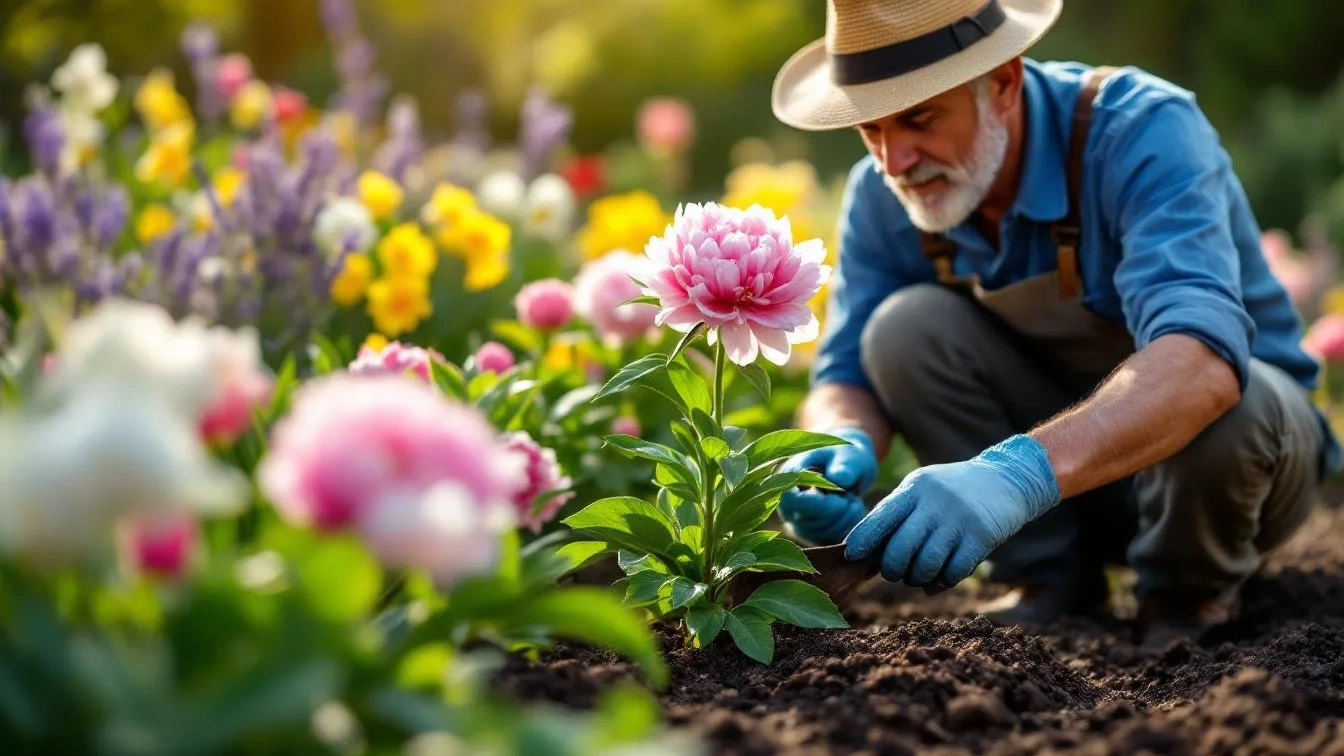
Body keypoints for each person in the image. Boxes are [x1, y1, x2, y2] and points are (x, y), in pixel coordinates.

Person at [770, 0, 1340, 646]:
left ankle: (1187, 600)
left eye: (919, 119)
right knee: (903, 330)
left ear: (1003, 83)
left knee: (1231, 396)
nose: (893, 160)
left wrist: (1012, 476)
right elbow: (845, 372)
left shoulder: (1140, 131)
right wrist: (838, 442)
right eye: (869, 129)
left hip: (1233, 483)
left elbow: (1201, 365)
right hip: (1065, 496)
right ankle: (1047, 580)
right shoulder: (883, 195)